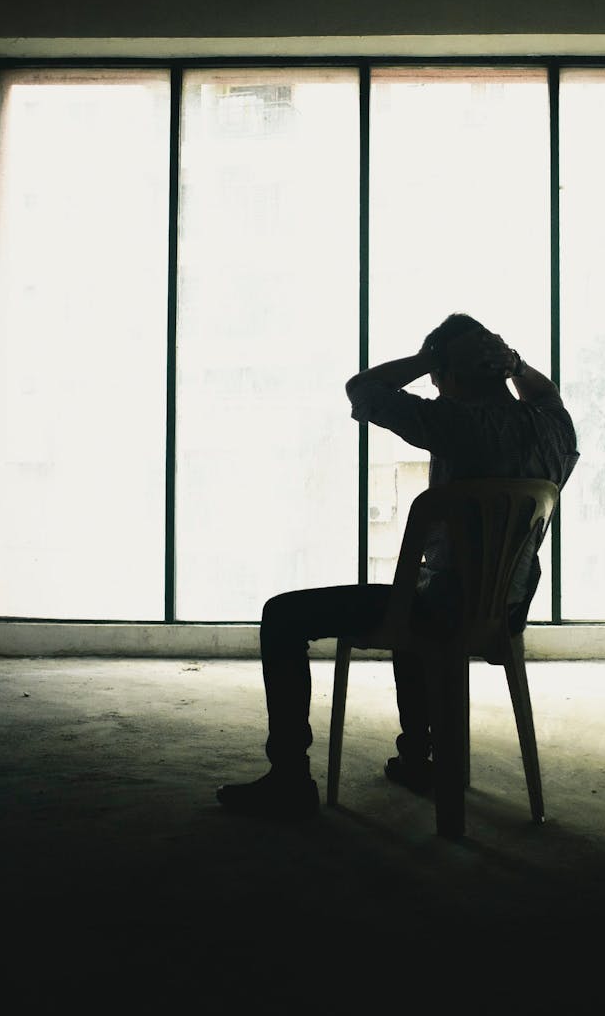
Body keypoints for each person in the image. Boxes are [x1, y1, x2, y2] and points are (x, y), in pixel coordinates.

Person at [216, 313, 579, 821]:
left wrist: (431, 359)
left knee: (284, 615)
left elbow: (362, 389)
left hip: (441, 608)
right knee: (418, 596)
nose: (436, 388)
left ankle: (290, 778)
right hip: (504, 609)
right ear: (500, 368)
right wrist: (515, 363)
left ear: (449, 373)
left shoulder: (454, 422)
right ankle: (417, 758)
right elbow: (546, 393)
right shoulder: (553, 429)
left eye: (438, 378)